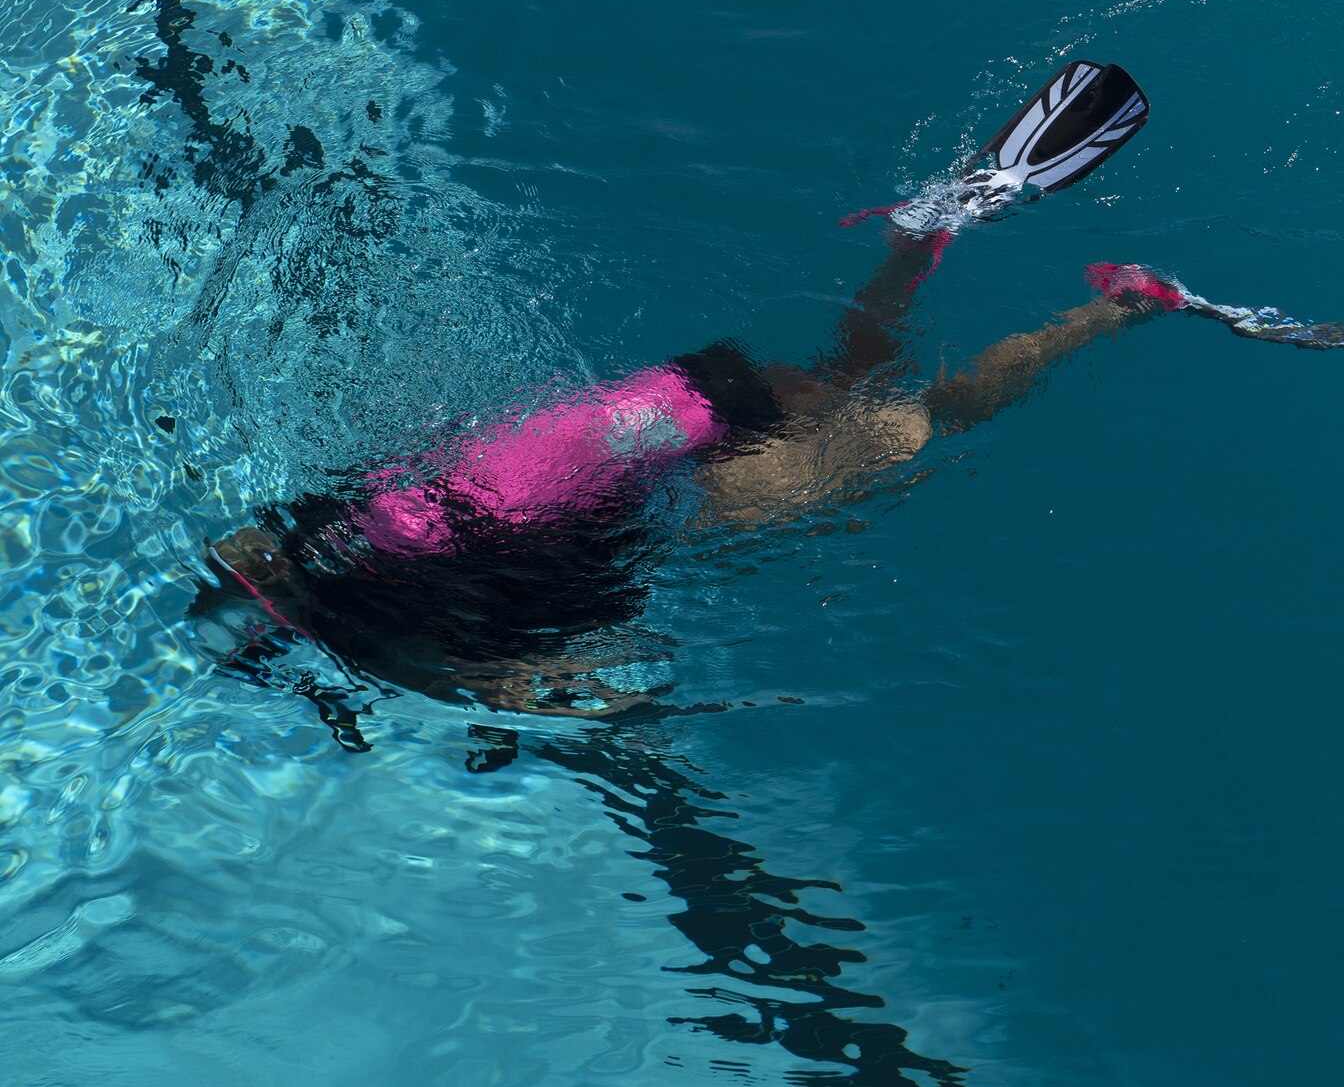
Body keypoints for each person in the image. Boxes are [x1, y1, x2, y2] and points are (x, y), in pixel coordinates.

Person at [190, 61, 1210, 718]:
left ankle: (1115, 306)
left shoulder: (392, 639)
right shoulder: (336, 511)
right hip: (663, 401)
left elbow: (573, 689)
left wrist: (591, 701)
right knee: (853, 373)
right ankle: (917, 235)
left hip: (690, 475)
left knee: (927, 421)